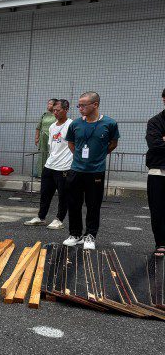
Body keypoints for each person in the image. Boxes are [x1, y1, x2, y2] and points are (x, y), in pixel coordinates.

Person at [62, 92, 119, 250]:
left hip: (96, 171)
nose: (80, 108)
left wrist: (99, 156)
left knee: (93, 205)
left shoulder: (109, 123)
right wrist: (80, 158)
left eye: (83, 105)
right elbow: (72, 144)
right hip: (76, 170)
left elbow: (113, 143)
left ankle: (90, 236)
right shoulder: (75, 124)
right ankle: (75, 234)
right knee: (73, 203)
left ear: (95, 105)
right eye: (79, 105)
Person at [25, 99, 72, 229]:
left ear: (66, 109)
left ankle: (59, 219)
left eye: (58, 110)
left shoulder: (71, 125)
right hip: (50, 164)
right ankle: (41, 217)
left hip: (64, 166)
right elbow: (51, 146)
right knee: (45, 193)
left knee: (63, 195)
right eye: (54, 110)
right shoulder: (52, 126)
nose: (55, 113)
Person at [146, 88, 165, 253]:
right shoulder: (155, 122)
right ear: (163, 99)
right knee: (158, 209)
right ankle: (161, 242)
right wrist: (161, 140)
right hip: (158, 172)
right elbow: (155, 145)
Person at [36, 98, 58, 178]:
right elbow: (38, 127)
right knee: (42, 155)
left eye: (50, 104)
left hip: (53, 138)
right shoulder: (44, 115)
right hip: (43, 137)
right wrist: (37, 138)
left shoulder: (57, 115)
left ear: (55, 105)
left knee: (52, 154)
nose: (48, 105)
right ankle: (40, 174)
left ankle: (51, 175)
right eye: (48, 103)